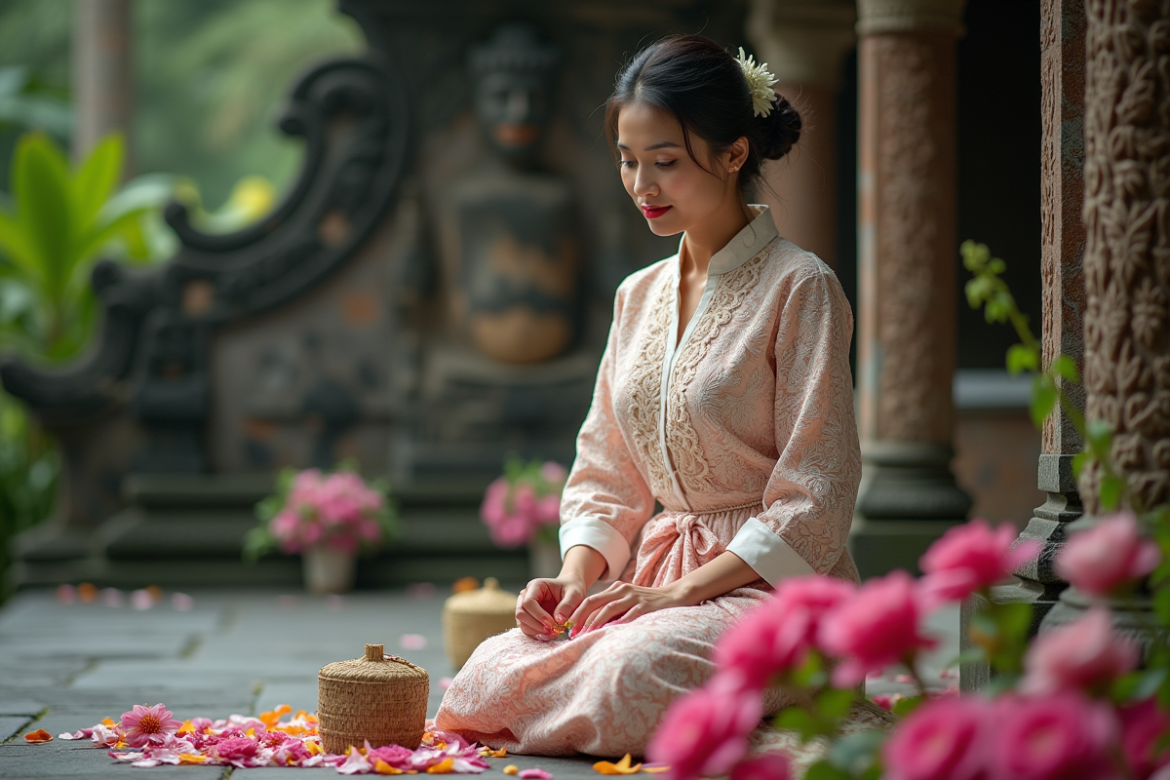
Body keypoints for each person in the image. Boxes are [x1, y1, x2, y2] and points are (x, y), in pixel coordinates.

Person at [435, 35, 871, 758]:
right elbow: (606, 470)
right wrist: (573, 580)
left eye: (665, 162)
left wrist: (674, 597)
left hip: (770, 590)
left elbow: (816, 494)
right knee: (486, 673)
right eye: (628, 161)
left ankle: (787, 682)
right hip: (650, 580)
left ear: (734, 155)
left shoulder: (802, 287)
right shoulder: (637, 296)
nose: (643, 185)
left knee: (624, 673)